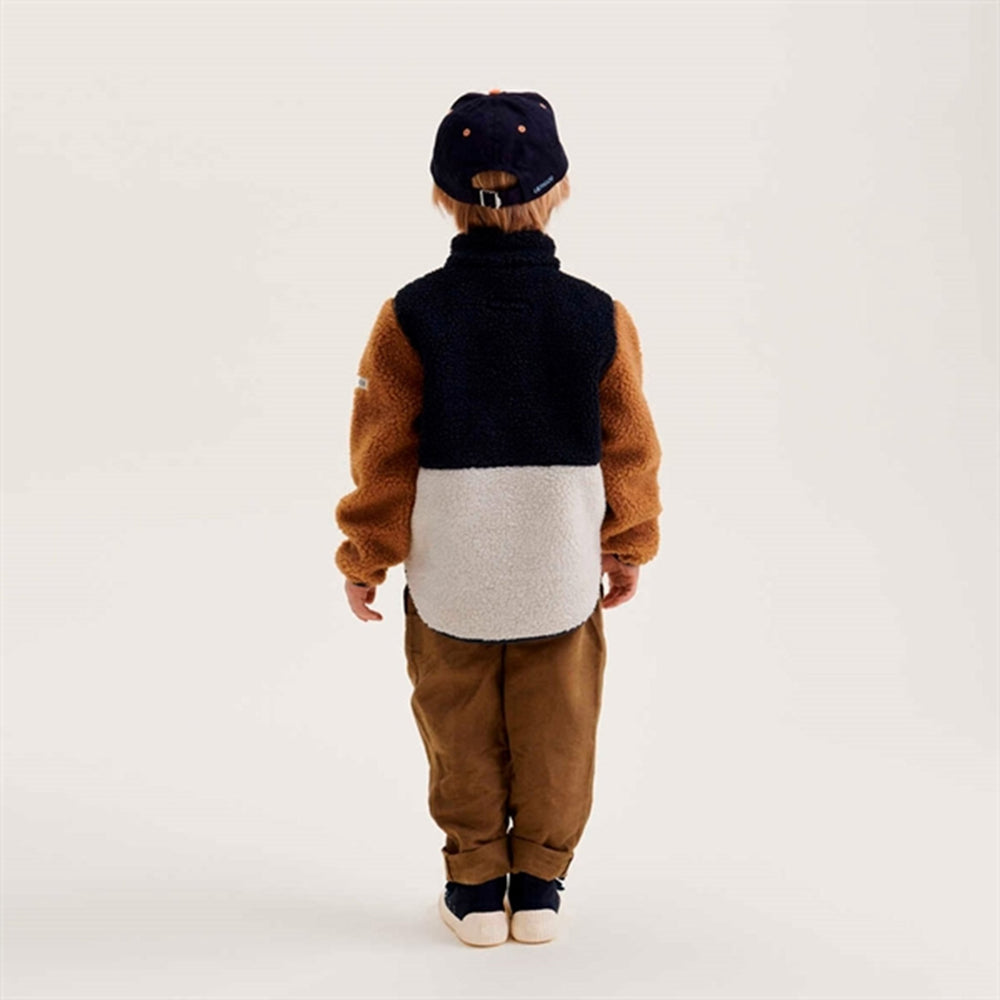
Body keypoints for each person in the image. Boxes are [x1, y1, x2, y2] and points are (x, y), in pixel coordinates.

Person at [334, 89, 662, 947]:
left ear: (443, 195)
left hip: (452, 575)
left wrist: (366, 555)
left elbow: (383, 452)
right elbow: (630, 445)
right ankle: (540, 885)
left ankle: (476, 887)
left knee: (458, 728)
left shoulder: (410, 315)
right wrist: (627, 544)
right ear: (559, 190)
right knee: (560, 731)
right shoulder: (597, 315)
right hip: (560, 572)